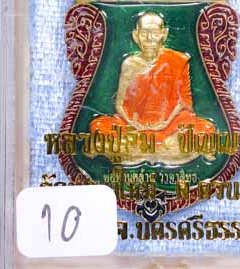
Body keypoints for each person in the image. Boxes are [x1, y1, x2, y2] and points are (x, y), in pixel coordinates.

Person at [88, 11, 216, 164]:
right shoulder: (129, 64)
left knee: (205, 129)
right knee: (99, 126)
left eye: (155, 33)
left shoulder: (178, 61)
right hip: (133, 128)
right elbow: (119, 104)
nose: (149, 39)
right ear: (136, 35)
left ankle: (142, 151)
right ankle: (163, 150)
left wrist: (165, 123)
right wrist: (132, 123)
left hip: (169, 126)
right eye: (144, 33)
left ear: (164, 34)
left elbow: (184, 103)